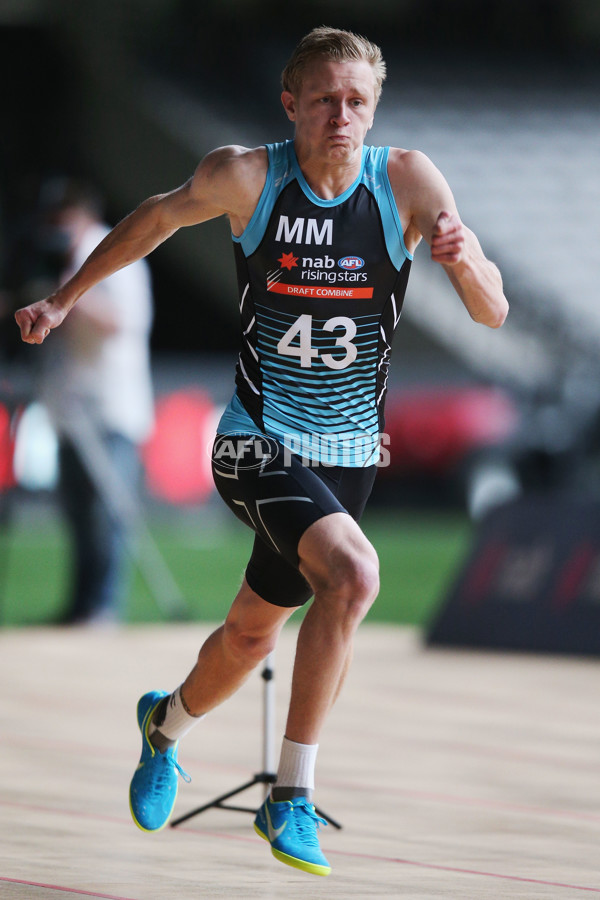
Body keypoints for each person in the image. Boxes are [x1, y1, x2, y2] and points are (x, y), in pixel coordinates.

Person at [15, 27, 508, 876]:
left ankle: (162, 726)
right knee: (354, 576)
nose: (341, 116)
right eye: (323, 99)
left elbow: (493, 311)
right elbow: (155, 221)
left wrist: (464, 267)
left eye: (356, 101)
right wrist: (63, 301)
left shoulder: (408, 181)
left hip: (349, 452)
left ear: (375, 107)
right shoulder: (248, 175)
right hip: (254, 440)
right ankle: (292, 798)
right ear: (291, 104)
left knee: (250, 635)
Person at [32, 178, 154, 624]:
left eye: (61, 219)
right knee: (78, 515)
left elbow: (123, 321)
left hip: (111, 406)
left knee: (106, 514)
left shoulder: (114, 255)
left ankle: (104, 606)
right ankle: (80, 608)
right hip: (70, 406)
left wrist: (67, 297)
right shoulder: (65, 259)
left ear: (80, 216)